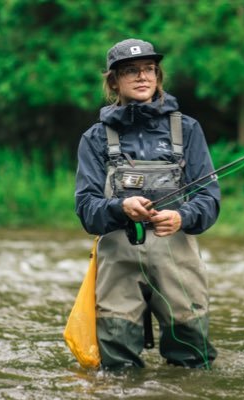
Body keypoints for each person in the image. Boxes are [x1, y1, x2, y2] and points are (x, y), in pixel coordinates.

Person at [75, 38, 221, 369]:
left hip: (178, 259)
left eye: (149, 69)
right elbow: (86, 209)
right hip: (118, 260)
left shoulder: (187, 129)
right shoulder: (95, 138)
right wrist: (119, 209)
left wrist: (183, 216)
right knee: (117, 366)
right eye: (131, 71)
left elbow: (210, 199)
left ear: (158, 75)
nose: (142, 77)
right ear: (113, 81)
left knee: (193, 362)